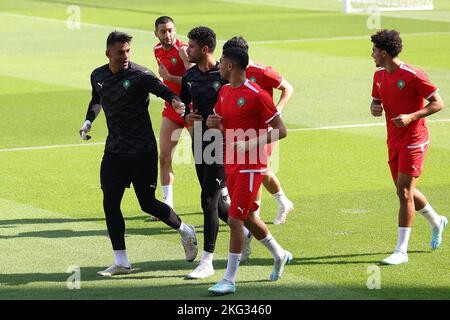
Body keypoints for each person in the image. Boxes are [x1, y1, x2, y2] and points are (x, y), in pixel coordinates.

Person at [79, 31, 198, 276]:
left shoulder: (140, 75)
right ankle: (121, 261)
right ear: (108, 53)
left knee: (148, 203)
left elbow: (163, 90)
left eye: (128, 51)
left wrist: (176, 100)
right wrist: (88, 121)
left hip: (141, 150)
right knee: (110, 203)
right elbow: (96, 99)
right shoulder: (98, 75)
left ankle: (185, 230)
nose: (125, 56)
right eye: (120, 52)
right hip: (114, 151)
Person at [206, 47, 292, 296]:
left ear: (231, 66)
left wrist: (250, 144)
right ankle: (279, 254)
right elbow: (223, 122)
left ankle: (229, 279)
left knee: (234, 220)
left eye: (221, 62)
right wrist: (215, 123)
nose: (218, 65)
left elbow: (281, 130)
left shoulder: (257, 95)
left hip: (252, 165)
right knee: (249, 218)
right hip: (231, 162)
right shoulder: (223, 91)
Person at [370, 29, 447, 265]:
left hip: (414, 140)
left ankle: (401, 251)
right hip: (393, 140)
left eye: (374, 50)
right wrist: (375, 107)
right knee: (407, 190)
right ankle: (437, 221)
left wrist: (412, 116)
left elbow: (438, 103)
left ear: (384, 52)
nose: (371, 54)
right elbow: (376, 100)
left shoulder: (414, 75)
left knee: (403, 192)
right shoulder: (379, 76)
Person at [222, 36, 295, 263]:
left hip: (263, 132)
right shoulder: (227, 86)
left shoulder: (263, 73)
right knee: (259, 173)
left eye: (224, 58)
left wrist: (277, 110)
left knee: (258, 171)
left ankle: (256, 215)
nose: (220, 63)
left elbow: (288, 88)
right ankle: (271, 209)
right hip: (241, 138)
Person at [179, 26, 230, 279]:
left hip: (222, 143)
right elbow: (182, 105)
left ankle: (207, 262)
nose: (187, 50)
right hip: (199, 142)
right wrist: (188, 115)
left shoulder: (224, 74)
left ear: (206, 49)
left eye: (192, 46)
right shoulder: (189, 77)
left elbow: (240, 110)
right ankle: (246, 230)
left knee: (208, 200)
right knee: (218, 205)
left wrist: (220, 123)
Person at [153, 16, 194, 215]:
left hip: (191, 109)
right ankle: (167, 206)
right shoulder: (156, 51)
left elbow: (193, 79)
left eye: (170, 30)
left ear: (175, 30)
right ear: (156, 34)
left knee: (205, 158)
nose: (167, 35)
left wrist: (169, 78)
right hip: (171, 107)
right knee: (164, 156)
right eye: (163, 31)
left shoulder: (183, 50)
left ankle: (223, 197)